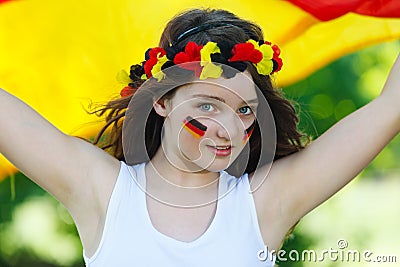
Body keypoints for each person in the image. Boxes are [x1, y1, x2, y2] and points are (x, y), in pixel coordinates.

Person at [0, 8, 399, 267]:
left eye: (244, 110)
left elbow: (389, 107)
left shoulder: (265, 202)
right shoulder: (101, 190)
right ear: (161, 101)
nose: (229, 129)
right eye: (207, 105)